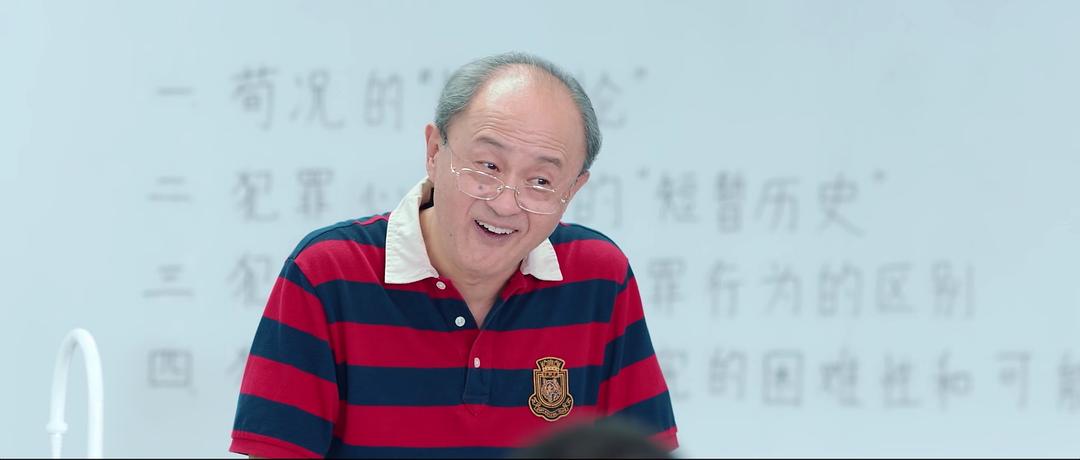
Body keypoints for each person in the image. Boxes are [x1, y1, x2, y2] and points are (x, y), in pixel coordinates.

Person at [229, 52, 677, 458]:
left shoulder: (598, 278)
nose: (506, 203)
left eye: (541, 181)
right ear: (433, 152)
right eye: (488, 166)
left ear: (574, 189)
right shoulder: (327, 274)